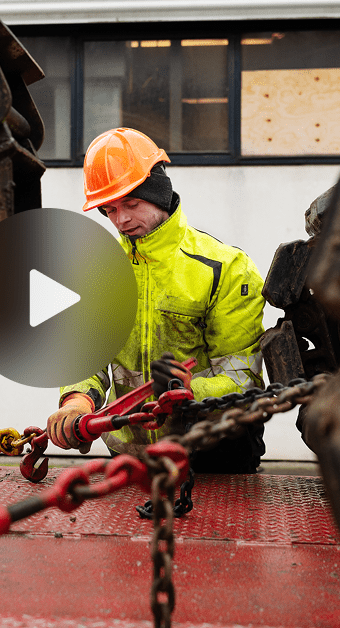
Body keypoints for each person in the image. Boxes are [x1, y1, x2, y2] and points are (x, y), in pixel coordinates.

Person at [47, 128, 266, 473]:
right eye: (110, 209)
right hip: (133, 462)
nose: (122, 220)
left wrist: (188, 389)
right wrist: (77, 401)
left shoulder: (226, 269)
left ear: (160, 192)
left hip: (215, 457)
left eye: (132, 204)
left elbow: (244, 378)